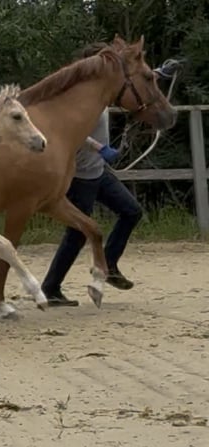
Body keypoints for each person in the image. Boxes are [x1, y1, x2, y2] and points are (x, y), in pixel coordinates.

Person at [41, 45, 178, 307]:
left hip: (99, 171)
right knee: (78, 233)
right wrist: (99, 148)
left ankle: (109, 263)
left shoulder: (104, 90)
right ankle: (51, 287)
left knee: (131, 211)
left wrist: (160, 72)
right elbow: (71, 130)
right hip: (81, 174)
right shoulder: (77, 98)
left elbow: (134, 84)